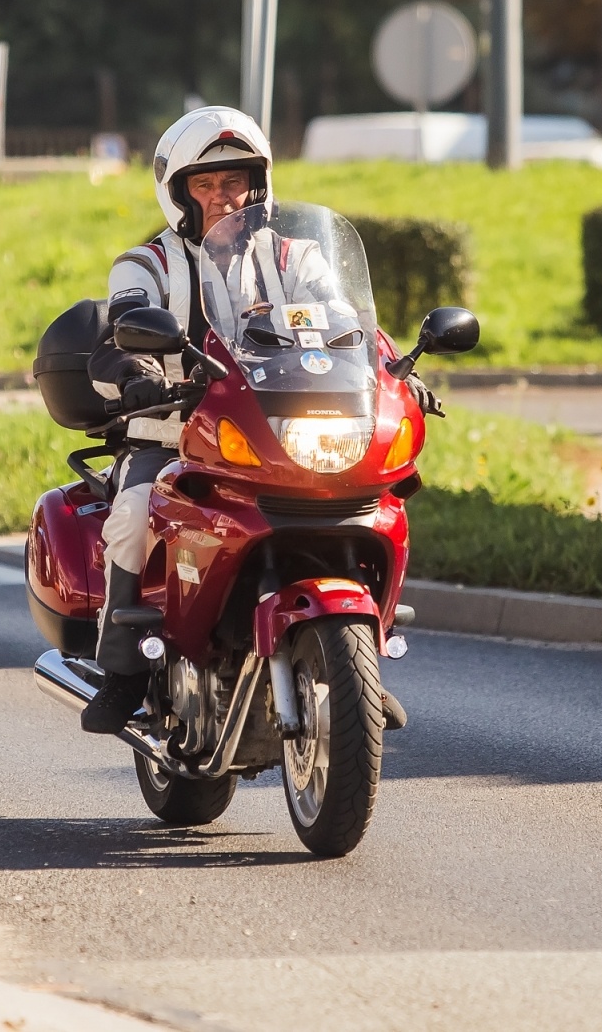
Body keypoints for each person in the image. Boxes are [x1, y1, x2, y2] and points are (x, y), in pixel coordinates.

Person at [80, 105, 435, 734]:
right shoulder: (147, 265)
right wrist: (142, 377)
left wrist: (396, 373)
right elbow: (117, 336)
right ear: (179, 192)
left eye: (235, 181)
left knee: (370, 504)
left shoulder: (296, 256)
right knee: (134, 513)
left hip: (274, 433)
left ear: (258, 183)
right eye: (206, 184)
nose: (222, 197)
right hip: (175, 436)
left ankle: (359, 669)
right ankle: (123, 669)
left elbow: (351, 323)